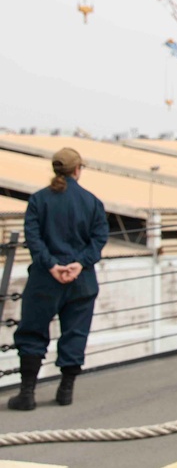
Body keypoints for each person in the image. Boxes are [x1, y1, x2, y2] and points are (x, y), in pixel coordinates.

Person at [9, 148, 109, 411]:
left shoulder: (38, 200)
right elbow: (99, 239)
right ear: (78, 170)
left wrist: (52, 265)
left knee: (32, 331)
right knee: (75, 333)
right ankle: (66, 391)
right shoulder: (92, 202)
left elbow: (33, 238)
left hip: (45, 279)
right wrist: (79, 264)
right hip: (81, 280)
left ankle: (27, 393)